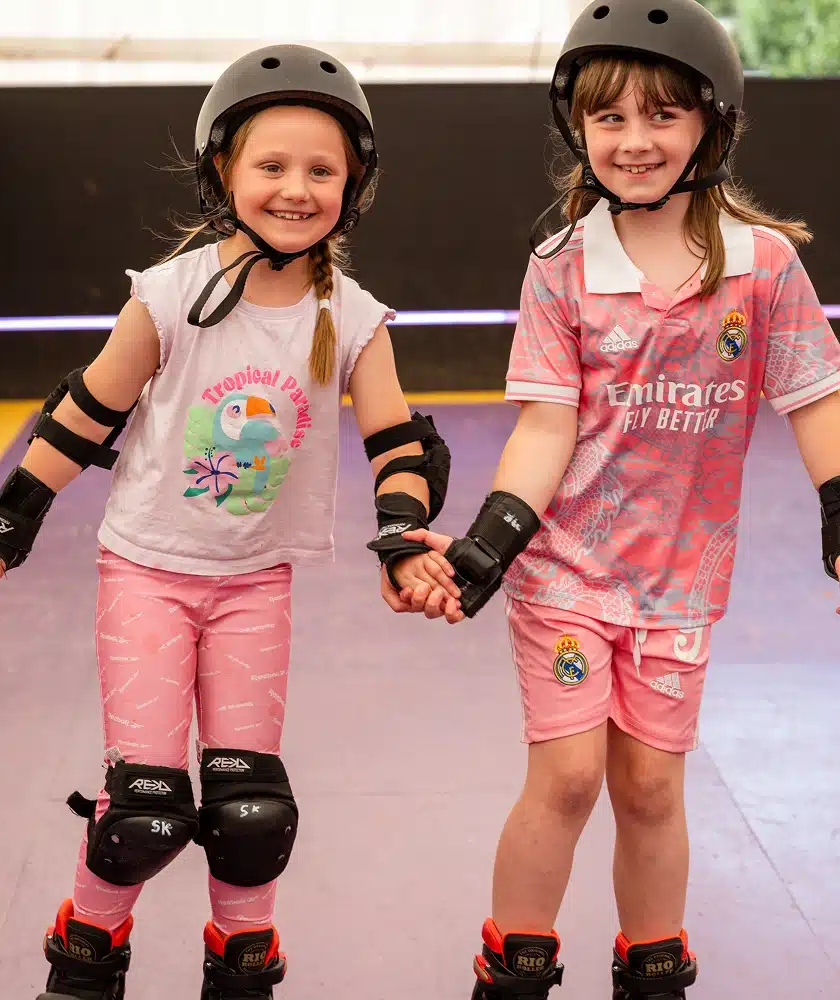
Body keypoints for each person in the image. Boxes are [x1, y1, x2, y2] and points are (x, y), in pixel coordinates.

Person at [0, 44, 459, 1000]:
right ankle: (86, 961)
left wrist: (402, 539)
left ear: (354, 187)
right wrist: (1, 531)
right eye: (272, 165)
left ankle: (243, 969)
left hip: (255, 585)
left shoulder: (350, 316)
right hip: (147, 574)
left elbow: (398, 444)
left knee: (250, 810)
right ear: (223, 170)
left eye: (321, 170)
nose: (296, 188)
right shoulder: (171, 294)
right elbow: (84, 414)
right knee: (142, 811)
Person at [402, 1, 840, 996]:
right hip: (565, 568)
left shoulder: (760, 265)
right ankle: (512, 962)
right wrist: (487, 545)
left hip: (679, 580)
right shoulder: (561, 265)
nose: (634, 140)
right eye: (609, 118)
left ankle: (652, 966)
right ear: (577, 131)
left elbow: (816, 398)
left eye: (662, 114)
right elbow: (548, 425)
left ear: (710, 125)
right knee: (567, 778)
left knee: (649, 787)